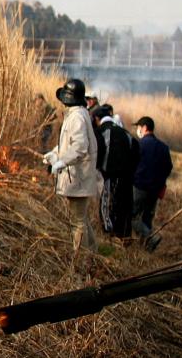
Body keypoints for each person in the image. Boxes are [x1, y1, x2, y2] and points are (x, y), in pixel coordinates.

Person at [42, 77, 101, 251]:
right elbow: (68, 144)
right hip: (77, 177)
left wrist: (61, 162)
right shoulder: (78, 114)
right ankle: (92, 254)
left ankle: (81, 258)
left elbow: (79, 147)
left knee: (78, 223)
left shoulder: (77, 117)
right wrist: (54, 154)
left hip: (77, 177)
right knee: (81, 219)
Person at [94, 104, 139, 238]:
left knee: (108, 206)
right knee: (125, 207)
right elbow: (136, 149)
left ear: (97, 118)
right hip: (128, 177)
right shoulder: (125, 132)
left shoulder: (100, 131)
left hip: (111, 175)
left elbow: (97, 153)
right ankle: (125, 236)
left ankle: (109, 236)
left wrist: (98, 169)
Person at [130, 116, 172, 250]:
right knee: (147, 217)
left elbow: (131, 165)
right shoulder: (163, 147)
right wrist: (160, 182)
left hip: (140, 186)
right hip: (155, 189)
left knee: (132, 216)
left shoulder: (139, 144)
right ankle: (147, 248)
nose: (138, 130)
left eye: (138, 127)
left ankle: (151, 237)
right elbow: (168, 167)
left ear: (144, 128)